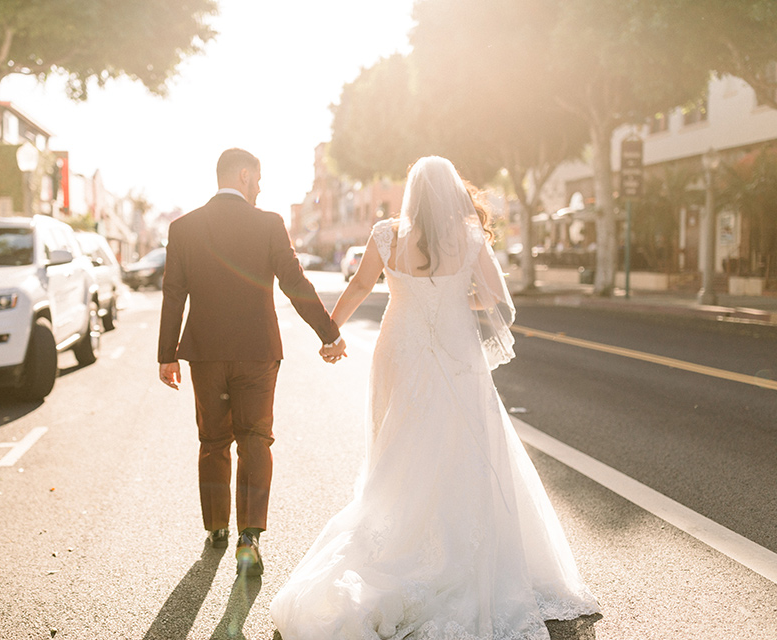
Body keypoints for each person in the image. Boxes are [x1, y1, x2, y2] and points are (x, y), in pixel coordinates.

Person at [271, 157, 601, 639]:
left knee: (399, 447)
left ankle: (398, 536)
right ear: (450, 193)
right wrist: (453, 299)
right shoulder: (468, 237)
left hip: (398, 351)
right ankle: (452, 549)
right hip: (455, 353)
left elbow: (361, 285)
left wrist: (330, 332)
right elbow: (494, 299)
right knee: (463, 446)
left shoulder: (386, 235)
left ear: (410, 193)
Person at [158, 148, 347, 577]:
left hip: (205, 353)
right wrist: (329, 333)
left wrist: (167, 354)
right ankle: (250, 537)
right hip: (258, 352)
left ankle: (215, 529)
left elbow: (173, 293)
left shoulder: (183, 228)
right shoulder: (269, 224)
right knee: (256, 440)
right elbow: (294, 282)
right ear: (244, 176)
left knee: (213, 442)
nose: (260, 189)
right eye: (258, 180)